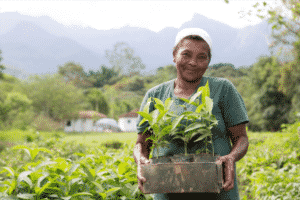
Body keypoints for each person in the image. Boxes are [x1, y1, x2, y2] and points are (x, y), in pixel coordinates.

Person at [133, 28, 249, 200]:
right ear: (174, 55)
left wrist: (231, 157)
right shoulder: (155, 95)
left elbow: (241, 138)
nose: (193, 62)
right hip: (168, 190)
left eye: (202, 57)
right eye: (186, 54)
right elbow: (141, 144)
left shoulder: (223, 89)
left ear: (209, 61)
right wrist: (140, 160)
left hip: (219, 190)